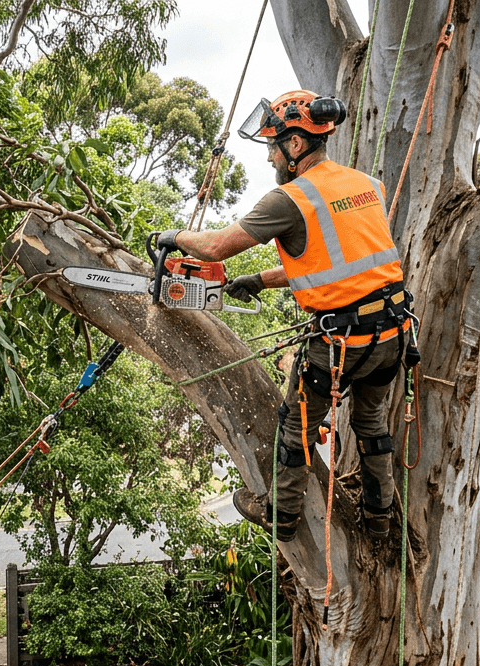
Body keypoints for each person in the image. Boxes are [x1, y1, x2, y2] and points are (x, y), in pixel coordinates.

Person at [159, 89, 416, 540]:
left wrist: (174, 236)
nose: (270, 159)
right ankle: (380, 518)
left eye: (273, 146)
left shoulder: (291, 198)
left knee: (296, 424)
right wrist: (259, 279)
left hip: (341, 342)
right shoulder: (365, 185)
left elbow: (217, 245)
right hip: (393, 333)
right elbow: (334, 262)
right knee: (371, 423)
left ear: (295, 145)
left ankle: (282, 514)